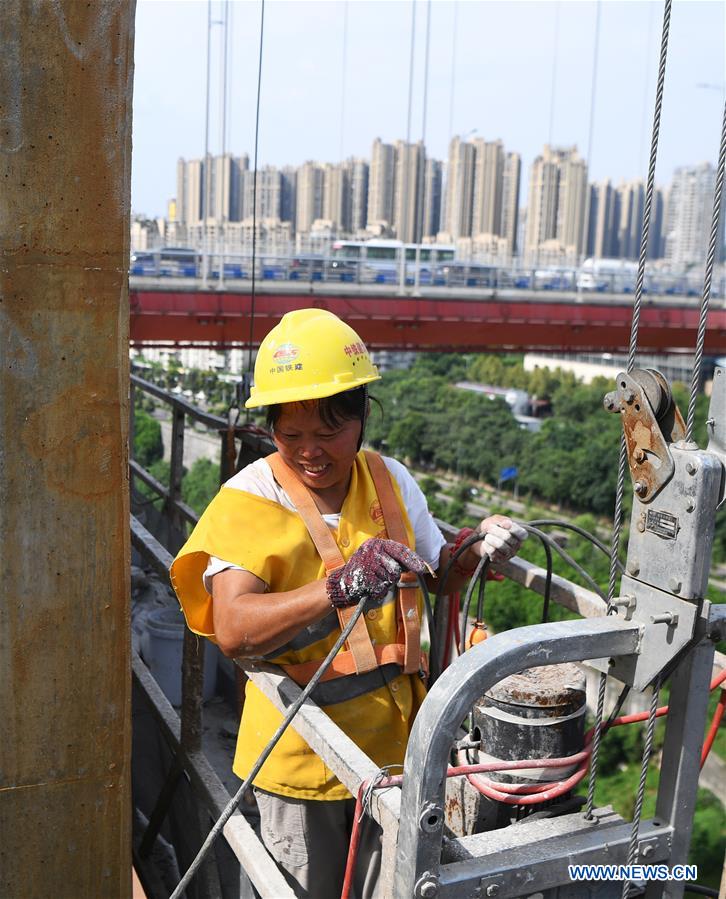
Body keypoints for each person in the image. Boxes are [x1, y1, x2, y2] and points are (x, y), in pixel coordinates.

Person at [170, 308, 527, 898]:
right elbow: (233, 629)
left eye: (327, 433)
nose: (309, 452)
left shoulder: (389, 480)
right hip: (300, 755)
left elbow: (438, 571)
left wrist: (482, 546)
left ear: (361, 417)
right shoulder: (249, 499)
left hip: (396, 752)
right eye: (291, 435)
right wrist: (336, 588)